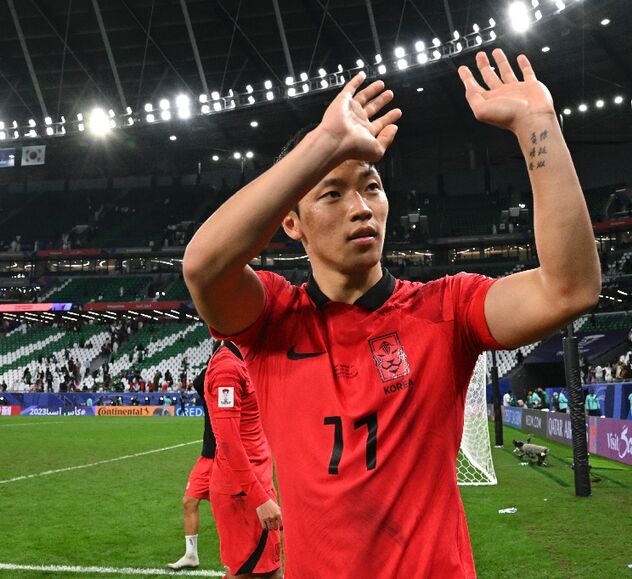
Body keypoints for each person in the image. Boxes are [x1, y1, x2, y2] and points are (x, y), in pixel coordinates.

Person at [182, 49, 600, 577]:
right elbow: (203, 268)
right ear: (292, 223)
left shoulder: (446, 309)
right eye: (332, 194)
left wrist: (538, 123)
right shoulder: (272, 319)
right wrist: (323, 144)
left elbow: (570, 289)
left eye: (372, 187)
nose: (361, 207)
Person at [203, 342, 282, 578]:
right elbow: (227, 441)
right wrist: (260, 499)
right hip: (243, 494)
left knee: (269, 572)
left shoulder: (247, 357)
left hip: (256, 487)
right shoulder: (227, 368)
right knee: (252, 573)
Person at [168, 367, 213, 571]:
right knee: (189, 501)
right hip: (208, 457)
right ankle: (191, 554)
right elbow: (199, 381)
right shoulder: (211, 385)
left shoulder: (243, 384)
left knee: (242, 509)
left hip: (232, 458)